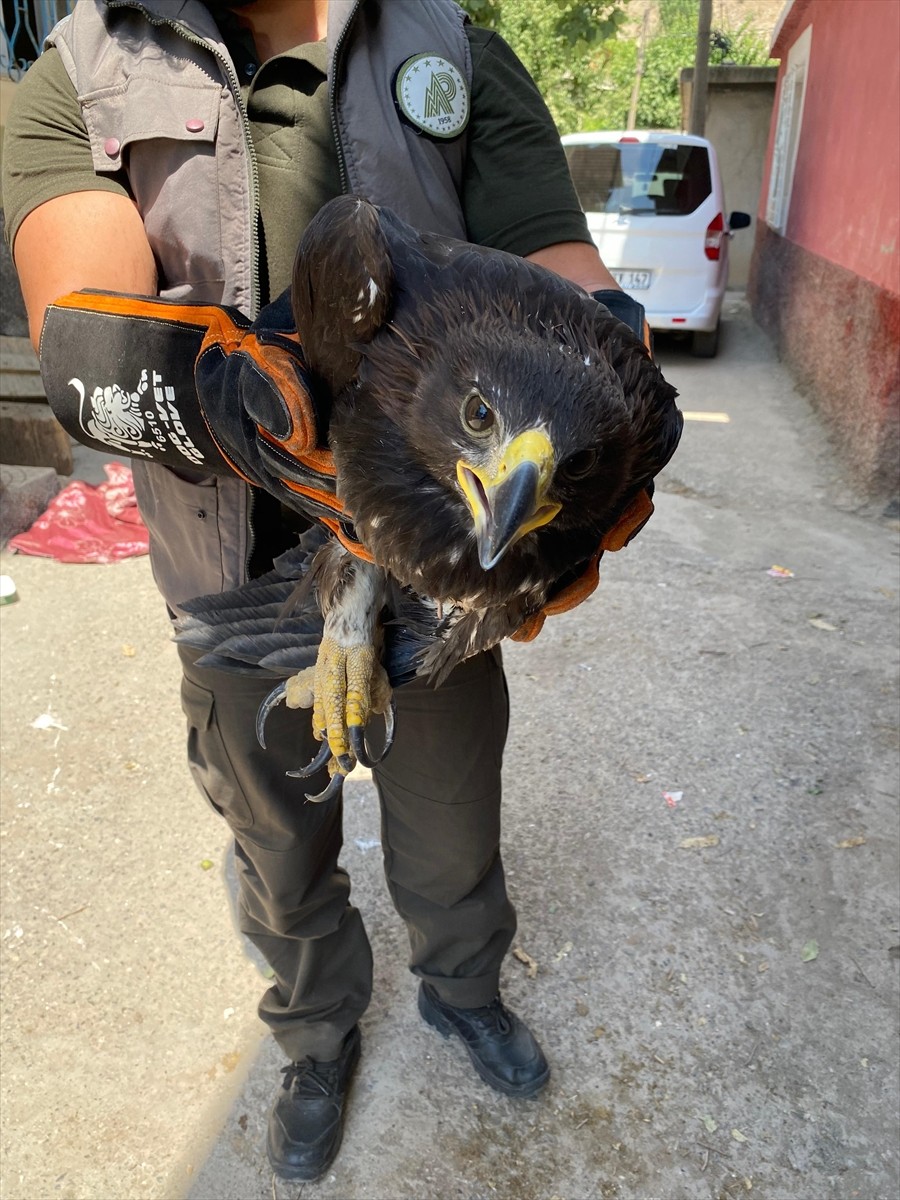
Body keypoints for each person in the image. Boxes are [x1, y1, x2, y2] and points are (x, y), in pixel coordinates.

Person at [2, 0, 640, 1182]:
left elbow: (561, 271)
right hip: (229, 570)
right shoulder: (79, 66)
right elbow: (79, 342)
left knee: (454, 840)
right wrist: (213, 387)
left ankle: (462, 992)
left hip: (441, 571)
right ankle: (314, 1035)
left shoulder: (454, 49)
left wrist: (609, 397)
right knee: (276, 855)